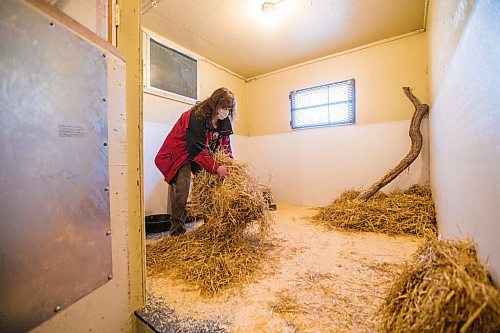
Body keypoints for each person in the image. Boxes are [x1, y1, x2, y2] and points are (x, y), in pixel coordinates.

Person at [154, 87, 236, 236]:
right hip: (180, 153)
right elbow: (195, 149)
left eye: (229, 109)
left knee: (209, 186)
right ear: (215, 103)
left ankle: (211, 224)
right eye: (224, 107)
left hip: (200, 154)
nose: (226, 111)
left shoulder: (223, 121)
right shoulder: (197, 116)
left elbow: (225, 146)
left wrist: (230, 165)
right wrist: (216, 167)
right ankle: (177, 231)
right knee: (182, 189)